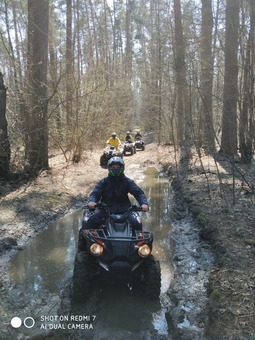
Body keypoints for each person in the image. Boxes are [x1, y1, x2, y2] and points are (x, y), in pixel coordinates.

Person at [86, 157, 149, 231]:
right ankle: (91, 243)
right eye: (113, 167)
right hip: (106, 211)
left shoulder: (127, 182)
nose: (115, 169)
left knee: (136, 224)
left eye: (118, 167)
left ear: (122, 168)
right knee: (91, 221)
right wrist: (92, 201)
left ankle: (135, 242)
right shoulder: (104, 182)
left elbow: (138, 193)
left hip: (125, 212)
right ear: (109, 168)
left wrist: (144, 203)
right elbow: (95, 193)